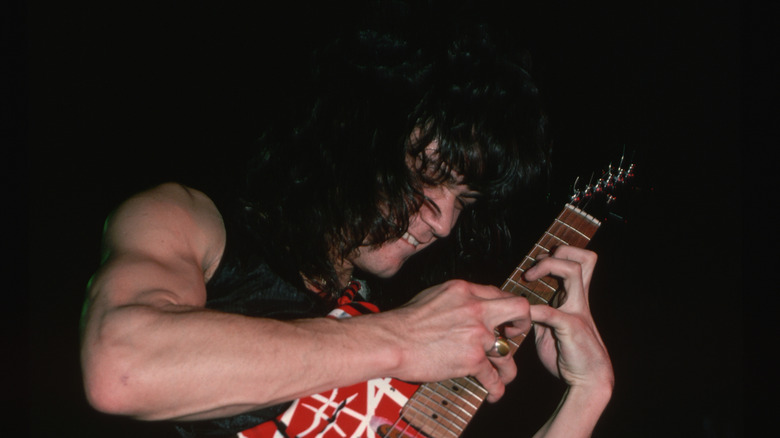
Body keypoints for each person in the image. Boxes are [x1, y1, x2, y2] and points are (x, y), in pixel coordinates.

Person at [80, 9, 613, 438]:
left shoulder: (381, 340)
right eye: (430, 176)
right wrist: (402, 338)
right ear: (357, 137)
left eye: (463, 200)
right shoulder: (186, 220)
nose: (445, 222)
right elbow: (122, 368)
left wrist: (588, 394)